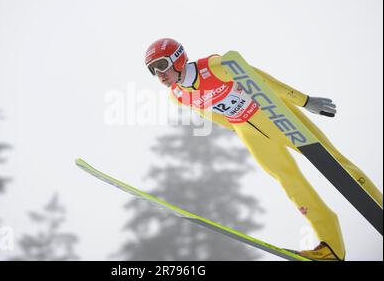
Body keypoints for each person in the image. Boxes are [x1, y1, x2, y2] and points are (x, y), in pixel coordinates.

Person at [144, 37, 383, 261]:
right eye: (153, 69)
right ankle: (332, 246)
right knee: (290, 183)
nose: (159, 74)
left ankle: (378, 204)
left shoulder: (215, 66)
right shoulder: (178, 96)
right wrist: (238, 129)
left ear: (178, 58)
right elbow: (214, 116)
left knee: (334, 162)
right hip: (251, 133)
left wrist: (304, 100)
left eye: (162, 65)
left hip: (273, 116)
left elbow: (260, 80)